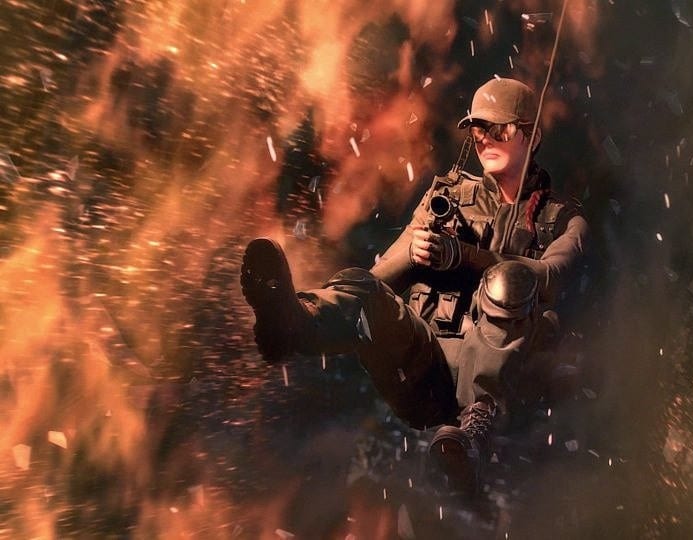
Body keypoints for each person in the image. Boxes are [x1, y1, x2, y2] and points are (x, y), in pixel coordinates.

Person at [241, 78, 590, 493]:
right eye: (478, 129)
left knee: (509, 282)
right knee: (361, 286)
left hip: (501, 398)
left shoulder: (562, 219)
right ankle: (293, 324)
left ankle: (472, 438)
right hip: (425, 370)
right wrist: (415, 252)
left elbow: (553, 279)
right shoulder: (448, 197)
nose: (484, 139)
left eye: (499, 129)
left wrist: (465, 256)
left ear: (531, 136)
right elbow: (379, 279)